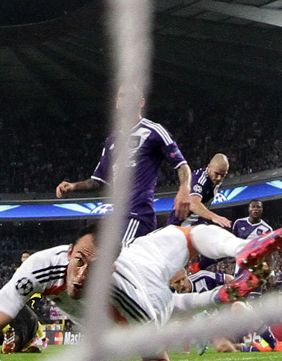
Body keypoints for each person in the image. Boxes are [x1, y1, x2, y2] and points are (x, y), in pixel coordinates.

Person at [0, 222, 282, 361]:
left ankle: (237, 255)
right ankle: (236, 253)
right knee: (184, 238)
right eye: (80, 261)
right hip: (140, 259)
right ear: (69, 253)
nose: (82, 275)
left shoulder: (130, 301)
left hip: (144, 295)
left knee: (172, 299)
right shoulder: (40, 267)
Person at [56, 90, 192, 245]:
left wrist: (185, 189)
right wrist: (73, 186)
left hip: (137, 215)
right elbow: (98, 181)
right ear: (117, 102)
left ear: (141, 102)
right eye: (122, 95)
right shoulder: (112, 140)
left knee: (116, 263)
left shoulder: (154, 131)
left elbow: (182, 165)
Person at [169, 154, 231, 228]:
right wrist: (215, 217)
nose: (219, 178)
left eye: (223, 175)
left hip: (197, 223)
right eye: (216, 174)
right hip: (180, 225)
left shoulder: (215, 182)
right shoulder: (199, 178)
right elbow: (193, 203)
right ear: (209, 167)